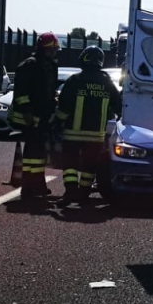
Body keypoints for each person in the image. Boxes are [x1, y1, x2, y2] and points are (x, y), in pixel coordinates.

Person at [52, 46, 121, 206]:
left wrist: (56, 124)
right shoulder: (107, 83)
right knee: (89, 166)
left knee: (70, 164)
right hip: (96, 135)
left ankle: (70, 192)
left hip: (73, 133)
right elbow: (118, 106)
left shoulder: (75, 80)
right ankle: (83, 194)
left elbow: (64, 106)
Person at [8, 32, 60, 198]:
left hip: (42, 115)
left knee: (38, 152)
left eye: (55, 50)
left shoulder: (50, 66)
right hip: (29, 116)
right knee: (33, 151)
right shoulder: (29, 65)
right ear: (44, 49)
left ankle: (36, 184)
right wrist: (27, 111)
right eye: (52, 49)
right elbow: (21, 92)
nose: (54, 52)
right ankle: (30, 186)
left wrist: (54, 100)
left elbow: (48, 90)